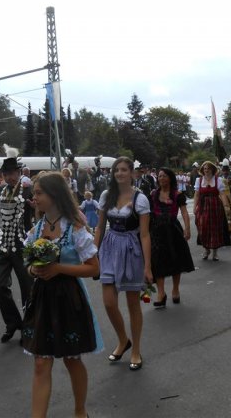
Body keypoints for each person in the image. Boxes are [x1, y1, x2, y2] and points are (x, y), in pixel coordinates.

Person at [22, 172, 102, 418]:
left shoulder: (75, 228)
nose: (34, 198)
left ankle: (80, 411)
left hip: (68, 298)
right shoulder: (35, 230)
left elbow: (94, 268)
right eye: (34, 193)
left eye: (39, 193)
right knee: (40, 363)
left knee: (71, 359)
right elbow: (28, 265)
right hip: (42, 299)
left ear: (54, 195)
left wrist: (58, 269)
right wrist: (33, 270)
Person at [94, 156, 152, 371]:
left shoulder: (140, 199)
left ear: (132, 173)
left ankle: (135, 349)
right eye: (116, 170)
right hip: (109, 247)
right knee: (109, 303)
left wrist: (148, 266)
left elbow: (145, 234)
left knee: (133, 303)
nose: (119, 173)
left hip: (131, 249)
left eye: (123, 170)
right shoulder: (106, 195)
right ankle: (122, 340)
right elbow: (100, 227)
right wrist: (93, 253)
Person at [0, 145, 34, 343]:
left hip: (22, 245)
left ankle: (29, 326)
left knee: (27, 287)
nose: (9, 177)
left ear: (18, 172)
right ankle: (13, 322)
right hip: (2, 245)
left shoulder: (28, 190)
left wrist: (36, 208)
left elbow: (40, 213)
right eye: (5, 174)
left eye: (12, 173)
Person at [149, 168, 194, 307]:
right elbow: (148, 213)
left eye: (164, 176)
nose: (161, 178)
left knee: (176, 260)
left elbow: (184, 213)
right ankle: (161, 293)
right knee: (157, 261)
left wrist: (187, 228)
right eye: (159, 176)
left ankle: (175, 289)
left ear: (170, 178)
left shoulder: (177, 194)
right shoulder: (153, 194)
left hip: (173, 230)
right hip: (156, 231)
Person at [193, 161, 231, 261]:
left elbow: (222, 194)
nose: (206, 170)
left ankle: (215, 252)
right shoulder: (199, 180)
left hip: (215, 206)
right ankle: (206, 250)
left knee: (215, 229)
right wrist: (194, 207)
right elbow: (196, 195)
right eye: (205, 168)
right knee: (202, 228)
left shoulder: (218, 180)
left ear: (213, 169)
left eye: (208, 168)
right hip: (202, 206)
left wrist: (226, 205)